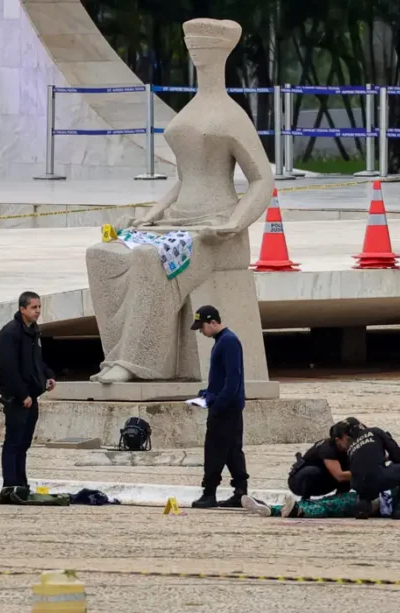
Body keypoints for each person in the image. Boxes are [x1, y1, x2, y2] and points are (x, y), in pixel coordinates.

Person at [84, 18, 274, 384]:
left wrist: (235, 223)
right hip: (175, 222)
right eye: (192, 44)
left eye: (202, 45)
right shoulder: (190, 110)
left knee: (147, 258)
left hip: (213, 231)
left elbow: (262, 179)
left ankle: (140, 363)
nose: (195, 50)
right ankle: (117, 355)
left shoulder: (233, 115)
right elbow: (183, 178)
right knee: (102, 254)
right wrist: (150, 215)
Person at [189, 305, 249, 509]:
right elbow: (222, 378)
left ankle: (209, 493)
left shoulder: (228, 341)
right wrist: (207, 394)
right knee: (232, 450)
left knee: (214, 450)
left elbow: (233, 380)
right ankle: (241, 492)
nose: (201, 332)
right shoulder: (221, 341)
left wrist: (217, 404)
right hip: (227, 405)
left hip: (226, 409)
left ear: (213, 322)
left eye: (202, 327)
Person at [0, 291, 56, 489]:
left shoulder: (34, 331)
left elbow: (37, 360)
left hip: (33, 396)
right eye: (33, 307)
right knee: (13, 442)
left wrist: (48, 375)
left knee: (24, 443)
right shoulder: (10, 332)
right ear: (22, 309)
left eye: (39, 307)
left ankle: (21, 483)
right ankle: (10, 484)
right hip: (17, 398)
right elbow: (9, 368)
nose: (38, 311)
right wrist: (23, 394)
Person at [335, 419, 400, 520]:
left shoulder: (351, 447)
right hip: (378, 478)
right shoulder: (375, 431)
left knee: (367, 479)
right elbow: (397, 455)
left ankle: (361, 505)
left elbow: (362, 466)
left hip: (358, 484)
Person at [242, 490, 400, 520]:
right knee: (326, 502)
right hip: (361, 496)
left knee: (329, 507)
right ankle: (270, 509)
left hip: (366, 504)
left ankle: (298, 511)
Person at [287, 429, 353, 500]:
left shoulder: (347, 449)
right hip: (299, 482)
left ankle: (339, 500)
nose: (351, 443)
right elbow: (340, 476)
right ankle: (305, 500)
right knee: (312, 471)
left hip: (324, 481)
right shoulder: (328, 449)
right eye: (348, 440)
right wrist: (361, 473)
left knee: (349, 473)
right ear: (337, 440)